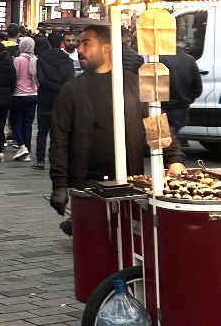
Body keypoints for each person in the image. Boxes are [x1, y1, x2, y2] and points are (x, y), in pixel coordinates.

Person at [49, 25, 186, 221]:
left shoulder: (133, 84)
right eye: (79, 44)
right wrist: (60, 183)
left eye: (86, 44)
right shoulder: (72, 90)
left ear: (107, 47)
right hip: (87, 185)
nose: (79, 49)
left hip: (129, 182)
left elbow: (157, 124)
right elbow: (59, 139)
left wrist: (174, 159)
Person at [33, 32, 75, 169]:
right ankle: (58, 160)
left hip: (45, 98)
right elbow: (70, 80)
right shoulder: (68, 60)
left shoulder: (42, 59)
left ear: (48, 43)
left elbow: (41, 79)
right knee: (60, 132)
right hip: (61, 100)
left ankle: (40, 159)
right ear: (62, 43)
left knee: (42, 131)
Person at [160, 47, 203, 147]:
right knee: (171, 137)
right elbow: (197, 88)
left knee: (165, 141)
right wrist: (187, 99)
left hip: (163, 106)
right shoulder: (190, 60)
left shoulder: (159, 59)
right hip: (182, 107)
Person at [9, 36, 39, 162]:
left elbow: (14, 77)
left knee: (14, 120)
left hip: (19, 94)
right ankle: (27, 150)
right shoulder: (35, 59)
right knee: (27, 123)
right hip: (33, 94)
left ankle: (22, 145)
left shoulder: (18, 60)